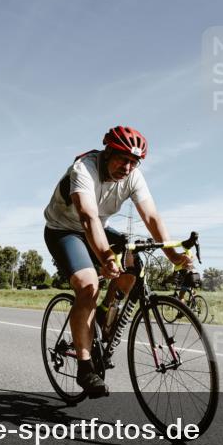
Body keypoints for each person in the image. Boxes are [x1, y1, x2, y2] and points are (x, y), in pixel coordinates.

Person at [43, 126, 192, 398]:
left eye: (134, 162)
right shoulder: (83, 169)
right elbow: (87, 218)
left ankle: (104, 313)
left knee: (134, 263)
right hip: (64, 230)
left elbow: (152, 217)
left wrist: (172, 254)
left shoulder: (133, 176)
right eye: (123, 159)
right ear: (108, 152)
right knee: (88, 285)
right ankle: (85, 367)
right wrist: (106, 258)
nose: (128, 167)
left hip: (98, 228)